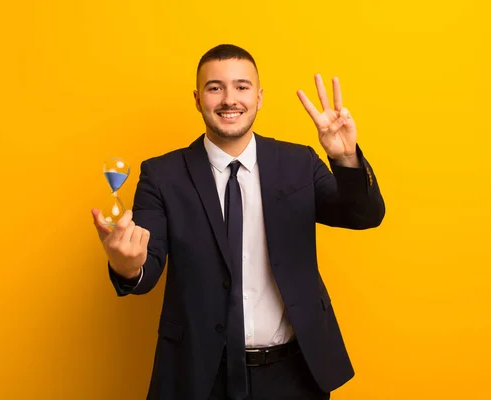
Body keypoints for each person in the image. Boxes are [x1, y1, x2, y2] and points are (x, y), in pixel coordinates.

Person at [92, 44, 385, 400]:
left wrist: (345, 158)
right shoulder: (161, 175)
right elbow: (145, 267)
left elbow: (364, 216)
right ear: (198, 98)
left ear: (259, 97)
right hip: (201, 376)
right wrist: (127, 267)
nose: (229, 99)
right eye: (215, 88)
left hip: (294, 374)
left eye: (242, 87)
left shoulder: (299, 163)